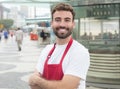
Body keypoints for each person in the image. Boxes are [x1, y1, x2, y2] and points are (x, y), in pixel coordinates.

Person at [29, 3, 90, 89]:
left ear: (73, 24)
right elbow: (33, 85)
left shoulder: (79, 52)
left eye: (67, 20)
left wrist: (39, 81)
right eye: (58, 20)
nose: (62, 24)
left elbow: (66, 87)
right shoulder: (46, 50)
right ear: (52, 23)